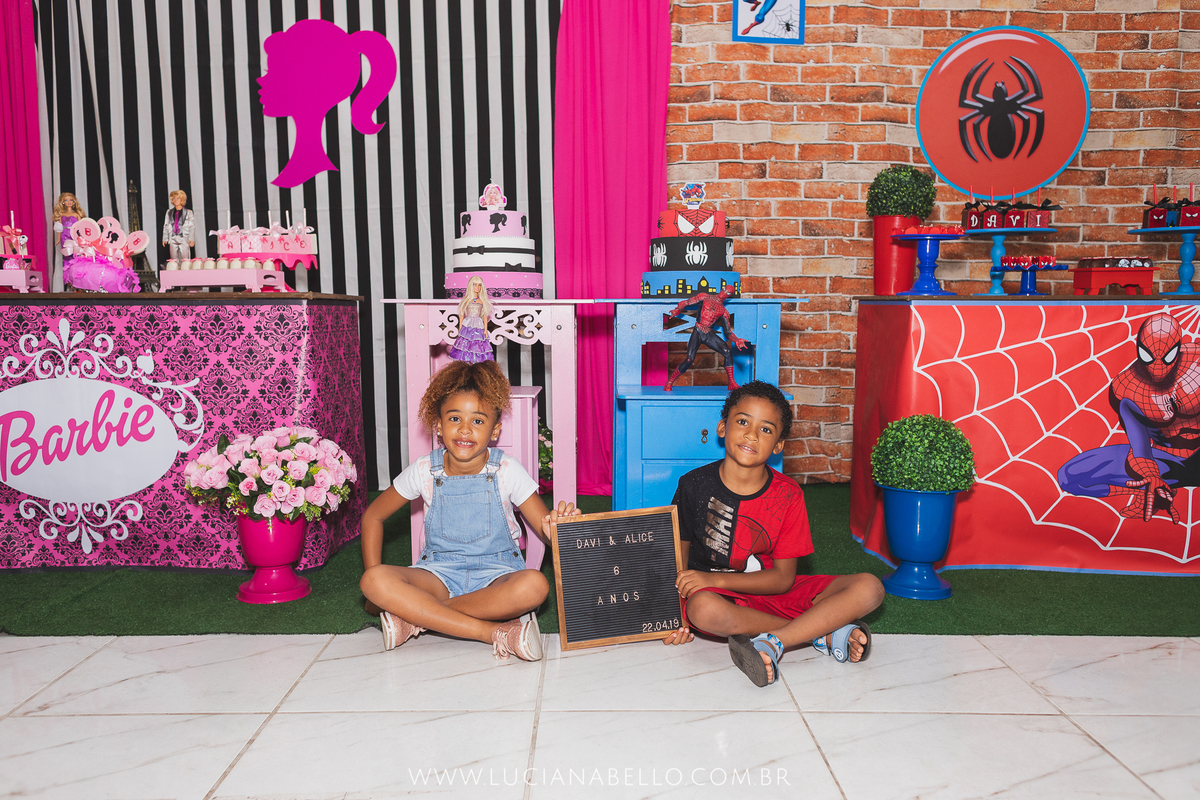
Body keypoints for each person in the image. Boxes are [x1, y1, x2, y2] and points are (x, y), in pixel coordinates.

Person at [662, 380, 885, 686]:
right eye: (743, 422)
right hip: (717, 598)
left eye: (766, 429)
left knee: (870, 587)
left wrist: (715, 578)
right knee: (702, 609)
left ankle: (776, 639)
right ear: (722, 427)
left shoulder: (789, 495)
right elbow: (677, 560)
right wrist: (674, 617)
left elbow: (783, 579)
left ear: (778, 445)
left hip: (770, 590)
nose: (752, 435)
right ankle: (821, 632)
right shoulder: (693, 485)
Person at [359, 360, 577, 661]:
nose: (464, 429)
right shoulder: (424, 470)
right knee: (373, 581)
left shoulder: (507, 469)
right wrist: (376, 585)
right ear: (438, 425)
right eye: (454, 418)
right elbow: (373, 516)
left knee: (535, 585)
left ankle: (415, 617)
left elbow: (544, 529)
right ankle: (492, 632)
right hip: (437, 574)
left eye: (477, 421)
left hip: (497, 575)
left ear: (495, 430)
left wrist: (557, 528)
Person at [1058, 312, 1200, 524]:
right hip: (1169, 462)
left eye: (1167, 356)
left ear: (1177, 348)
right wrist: (1152, 478)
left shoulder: (1196, 361)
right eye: (1148, 356)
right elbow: (1141, 450)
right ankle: (1153, 490)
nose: (1157, 367)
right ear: (1138, 349)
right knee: (1070, 476)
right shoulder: (1126, 387)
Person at [663, 284, 749, 392]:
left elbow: (728, 332)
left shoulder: (724, 312)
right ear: (721, 288)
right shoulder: (704, 297)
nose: (724, 293)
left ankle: (732, 383)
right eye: (724, 289)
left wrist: (736, 340)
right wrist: (678, 310)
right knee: (689, 359)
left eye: (728, 293)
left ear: (729, 295)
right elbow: (686, 302)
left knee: (727, 351)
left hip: (708, 333)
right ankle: (669, 382)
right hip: (698, 330)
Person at [448, 275, 495, 363]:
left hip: (478, 324)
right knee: (465, 343)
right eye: (475, 284)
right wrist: (460, 328)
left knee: (478, 343)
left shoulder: (481, 301)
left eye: (479, 285)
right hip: (468, 323)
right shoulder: (466, 300)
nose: (477, 287)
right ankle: (466, 360)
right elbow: (461, 315)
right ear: (471, 286)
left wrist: (485, 330)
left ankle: (476, 360)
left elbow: (485, 316)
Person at [162, 190, 195, 261]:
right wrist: (165, 238)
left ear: (182, 199)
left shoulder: (188, 212)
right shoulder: (169, 212)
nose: (175, 200)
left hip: (184, 237)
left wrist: (191, 239)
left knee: (185, 258)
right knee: (173, 258)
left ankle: (186, 267)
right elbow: (166, 225)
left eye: (178, 198)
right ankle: (175, 266)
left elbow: (192, 226)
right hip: (173, 237)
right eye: (174, 198)